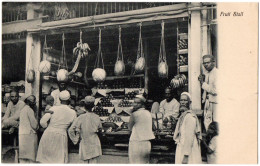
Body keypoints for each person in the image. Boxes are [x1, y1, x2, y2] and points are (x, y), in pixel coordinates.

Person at [36, 90, 77, 163]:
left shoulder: (53, 109)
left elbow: (42, 122)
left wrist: (48, 127)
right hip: (61, 135)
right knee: (58, 160)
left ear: (59, 99)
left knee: (46, 160)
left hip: (48, 133)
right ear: (69, 99)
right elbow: (73, 128)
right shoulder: (73, 112)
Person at [68, 96, 102, 164]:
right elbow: (100, 129)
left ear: (84, 106)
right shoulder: (97, 117)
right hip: (94, 142)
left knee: (84, 162)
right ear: (93, 106)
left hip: (85, 141)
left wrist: (75, 140)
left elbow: (70, 130)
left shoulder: (81, 117)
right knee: (94, 162)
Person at [173, 92, 202, 164]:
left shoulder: (190, 117)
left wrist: (186, 156)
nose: (182, 102)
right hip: (182, 148)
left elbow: (189, 138)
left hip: (188, 152)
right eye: (181, 100)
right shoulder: (183, 116)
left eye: (185, 100)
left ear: (190, 102)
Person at [128, 95, 155, 164]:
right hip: (147, 143)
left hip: (136, 142)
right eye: (134, 102)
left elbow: (129, 128)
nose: (135, 104)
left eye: (137, 103)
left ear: (142, 104)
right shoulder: (148, 113)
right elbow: (153, 127)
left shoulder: (134, 114)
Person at [198, 55, 218, 130]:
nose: (206, 65)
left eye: (208, 62)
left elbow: (215, 90)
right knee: (207, 122)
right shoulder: (206, 73)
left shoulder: (217, 73)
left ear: (213, 63)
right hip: (207, 102)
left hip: (215, 102)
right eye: (204, 63)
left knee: (216, 122)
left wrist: (203, 83)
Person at [19, 95, 38, 163]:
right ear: (29, 101)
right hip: (29, 135)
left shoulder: (23, 109)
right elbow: (34, 126)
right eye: (33, 101)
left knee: (23, 158)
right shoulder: (29, 110)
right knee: (31, 159)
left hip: (22, 135)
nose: (35, 103)